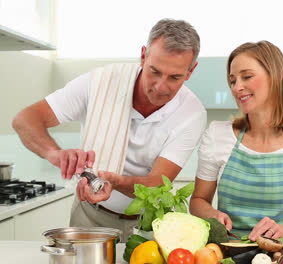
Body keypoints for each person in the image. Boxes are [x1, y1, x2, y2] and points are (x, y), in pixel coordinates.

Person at [12, 19, 207, 241]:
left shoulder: (192, 113)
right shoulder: (100, 82)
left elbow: (157, 184)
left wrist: (114, 183)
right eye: (154, 71)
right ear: (143, 56)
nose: (161, 86)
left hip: (150, 223)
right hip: (89, 217)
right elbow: (25, 119)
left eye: (175, 77)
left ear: (191, 72)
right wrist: (55, 154)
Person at [189, 41, 283, 241]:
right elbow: (198, 201)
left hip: (282, 256)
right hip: (228, 255)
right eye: (232, 81)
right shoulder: (217, 135)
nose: (237, 87)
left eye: (247, 77)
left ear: (277, 76)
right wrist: (213, 215)